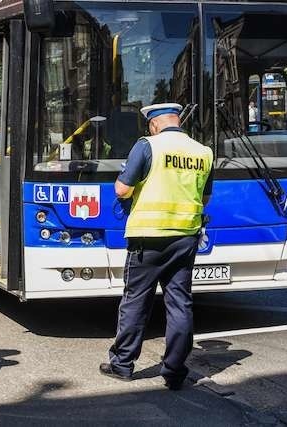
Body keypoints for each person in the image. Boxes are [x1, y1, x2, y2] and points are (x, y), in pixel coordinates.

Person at [99, 103, 213, 390]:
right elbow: (205, 197)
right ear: (177, 121)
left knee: (136, 300)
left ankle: (122, 364)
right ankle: (175, 371)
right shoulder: (203, 152)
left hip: (148, 237)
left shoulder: (148, 146)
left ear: (153, 124)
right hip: (185, 236)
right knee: (179, 303)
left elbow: (122, 189)